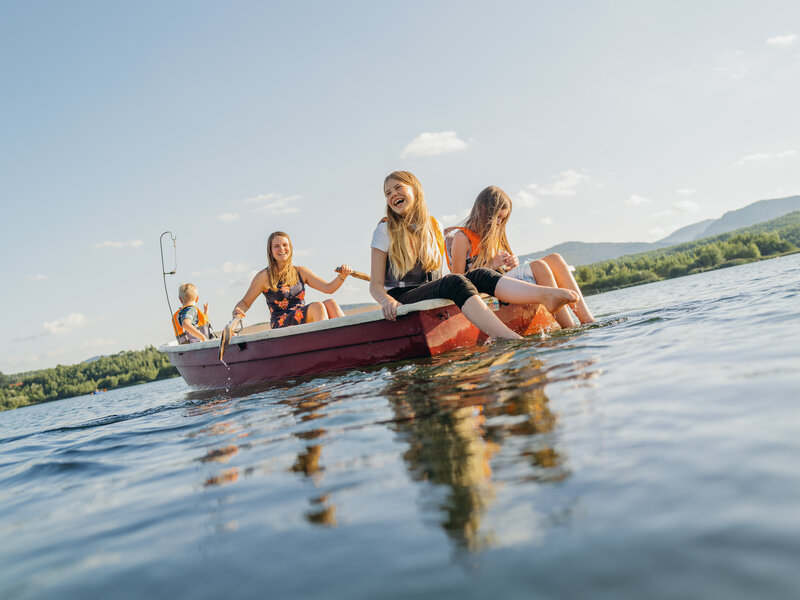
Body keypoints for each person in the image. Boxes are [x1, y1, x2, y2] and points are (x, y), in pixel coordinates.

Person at [370, 171, 579, 340]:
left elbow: (436, 276)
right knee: (454, 281)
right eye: (387, 193)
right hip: (403, 297)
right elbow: (375, 286)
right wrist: (387, 301)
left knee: (478, 274)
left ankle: (545, 295)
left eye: (398, 188)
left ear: (415, 190)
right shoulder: (384, 230)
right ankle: (510, 339)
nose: (392, 195)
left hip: (430, 290)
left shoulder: (434, 227)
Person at [445, 186, 595, 328]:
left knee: (555, 259)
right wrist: (492, 265)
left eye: (502, 219)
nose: (499, 223)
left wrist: (511, 263)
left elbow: (502, 270)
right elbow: (458, 281)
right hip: (486, 291)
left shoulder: (492, 235)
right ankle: (569, 328)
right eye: (497, 217)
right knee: (539, 267)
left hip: (503, 284)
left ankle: (588, 320)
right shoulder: (462, 237)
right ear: (483, 209)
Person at [232, 231, 353, 328]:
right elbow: (245, 303)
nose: (282, 249)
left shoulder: (300, 271)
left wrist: (342, 276)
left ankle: (348, 341)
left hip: (301, 315)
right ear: (271, 251)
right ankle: (326, 345)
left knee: (331, 303)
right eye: (276, 246)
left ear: (290, 248)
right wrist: (238, 310)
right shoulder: (264, 276)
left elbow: (328, 288)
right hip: (280, 322)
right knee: (318, 307)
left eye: (285, 245)